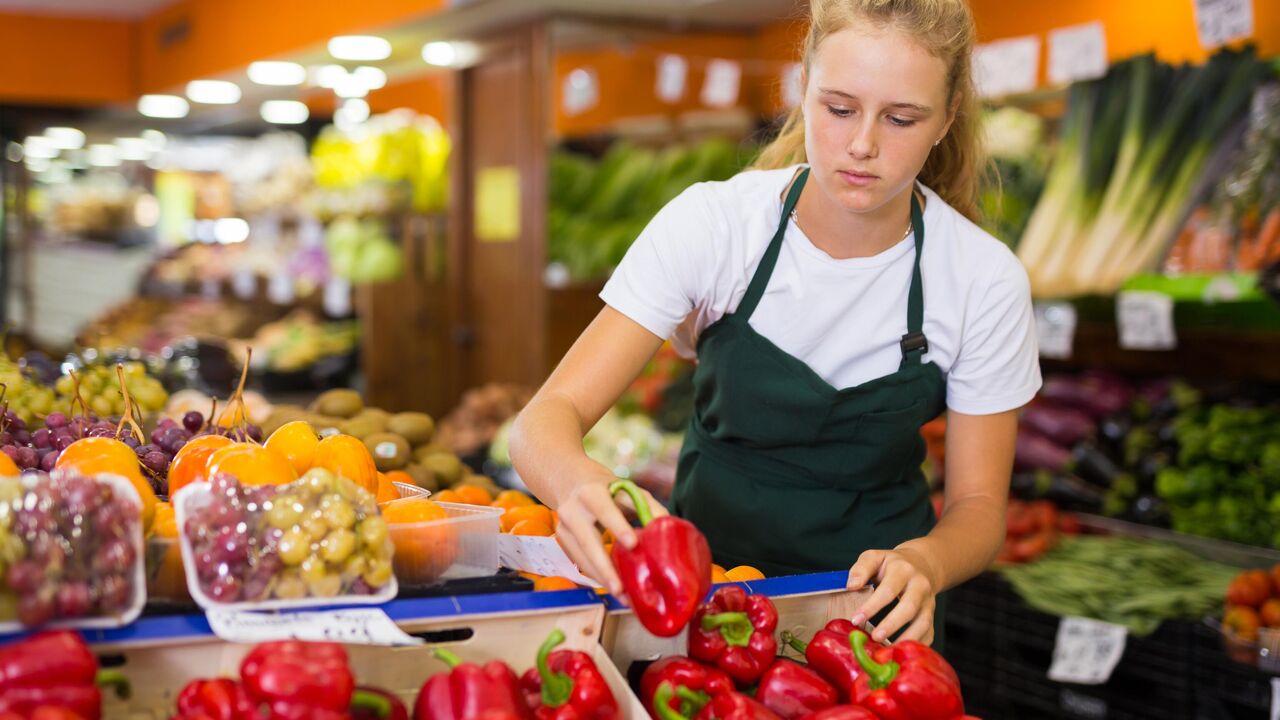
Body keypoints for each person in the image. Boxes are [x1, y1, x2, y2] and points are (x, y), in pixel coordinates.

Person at [510, 0, 1039, 647]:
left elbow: (980, 509)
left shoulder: (982, 277)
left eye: (901, 118)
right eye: (838, 107)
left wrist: (927, 562)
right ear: (804, 85)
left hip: (871, 619)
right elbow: (543, 420)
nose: (863, 143)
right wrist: (577, 482)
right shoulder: (716, 227)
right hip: (701, 603)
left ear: (948, 117)